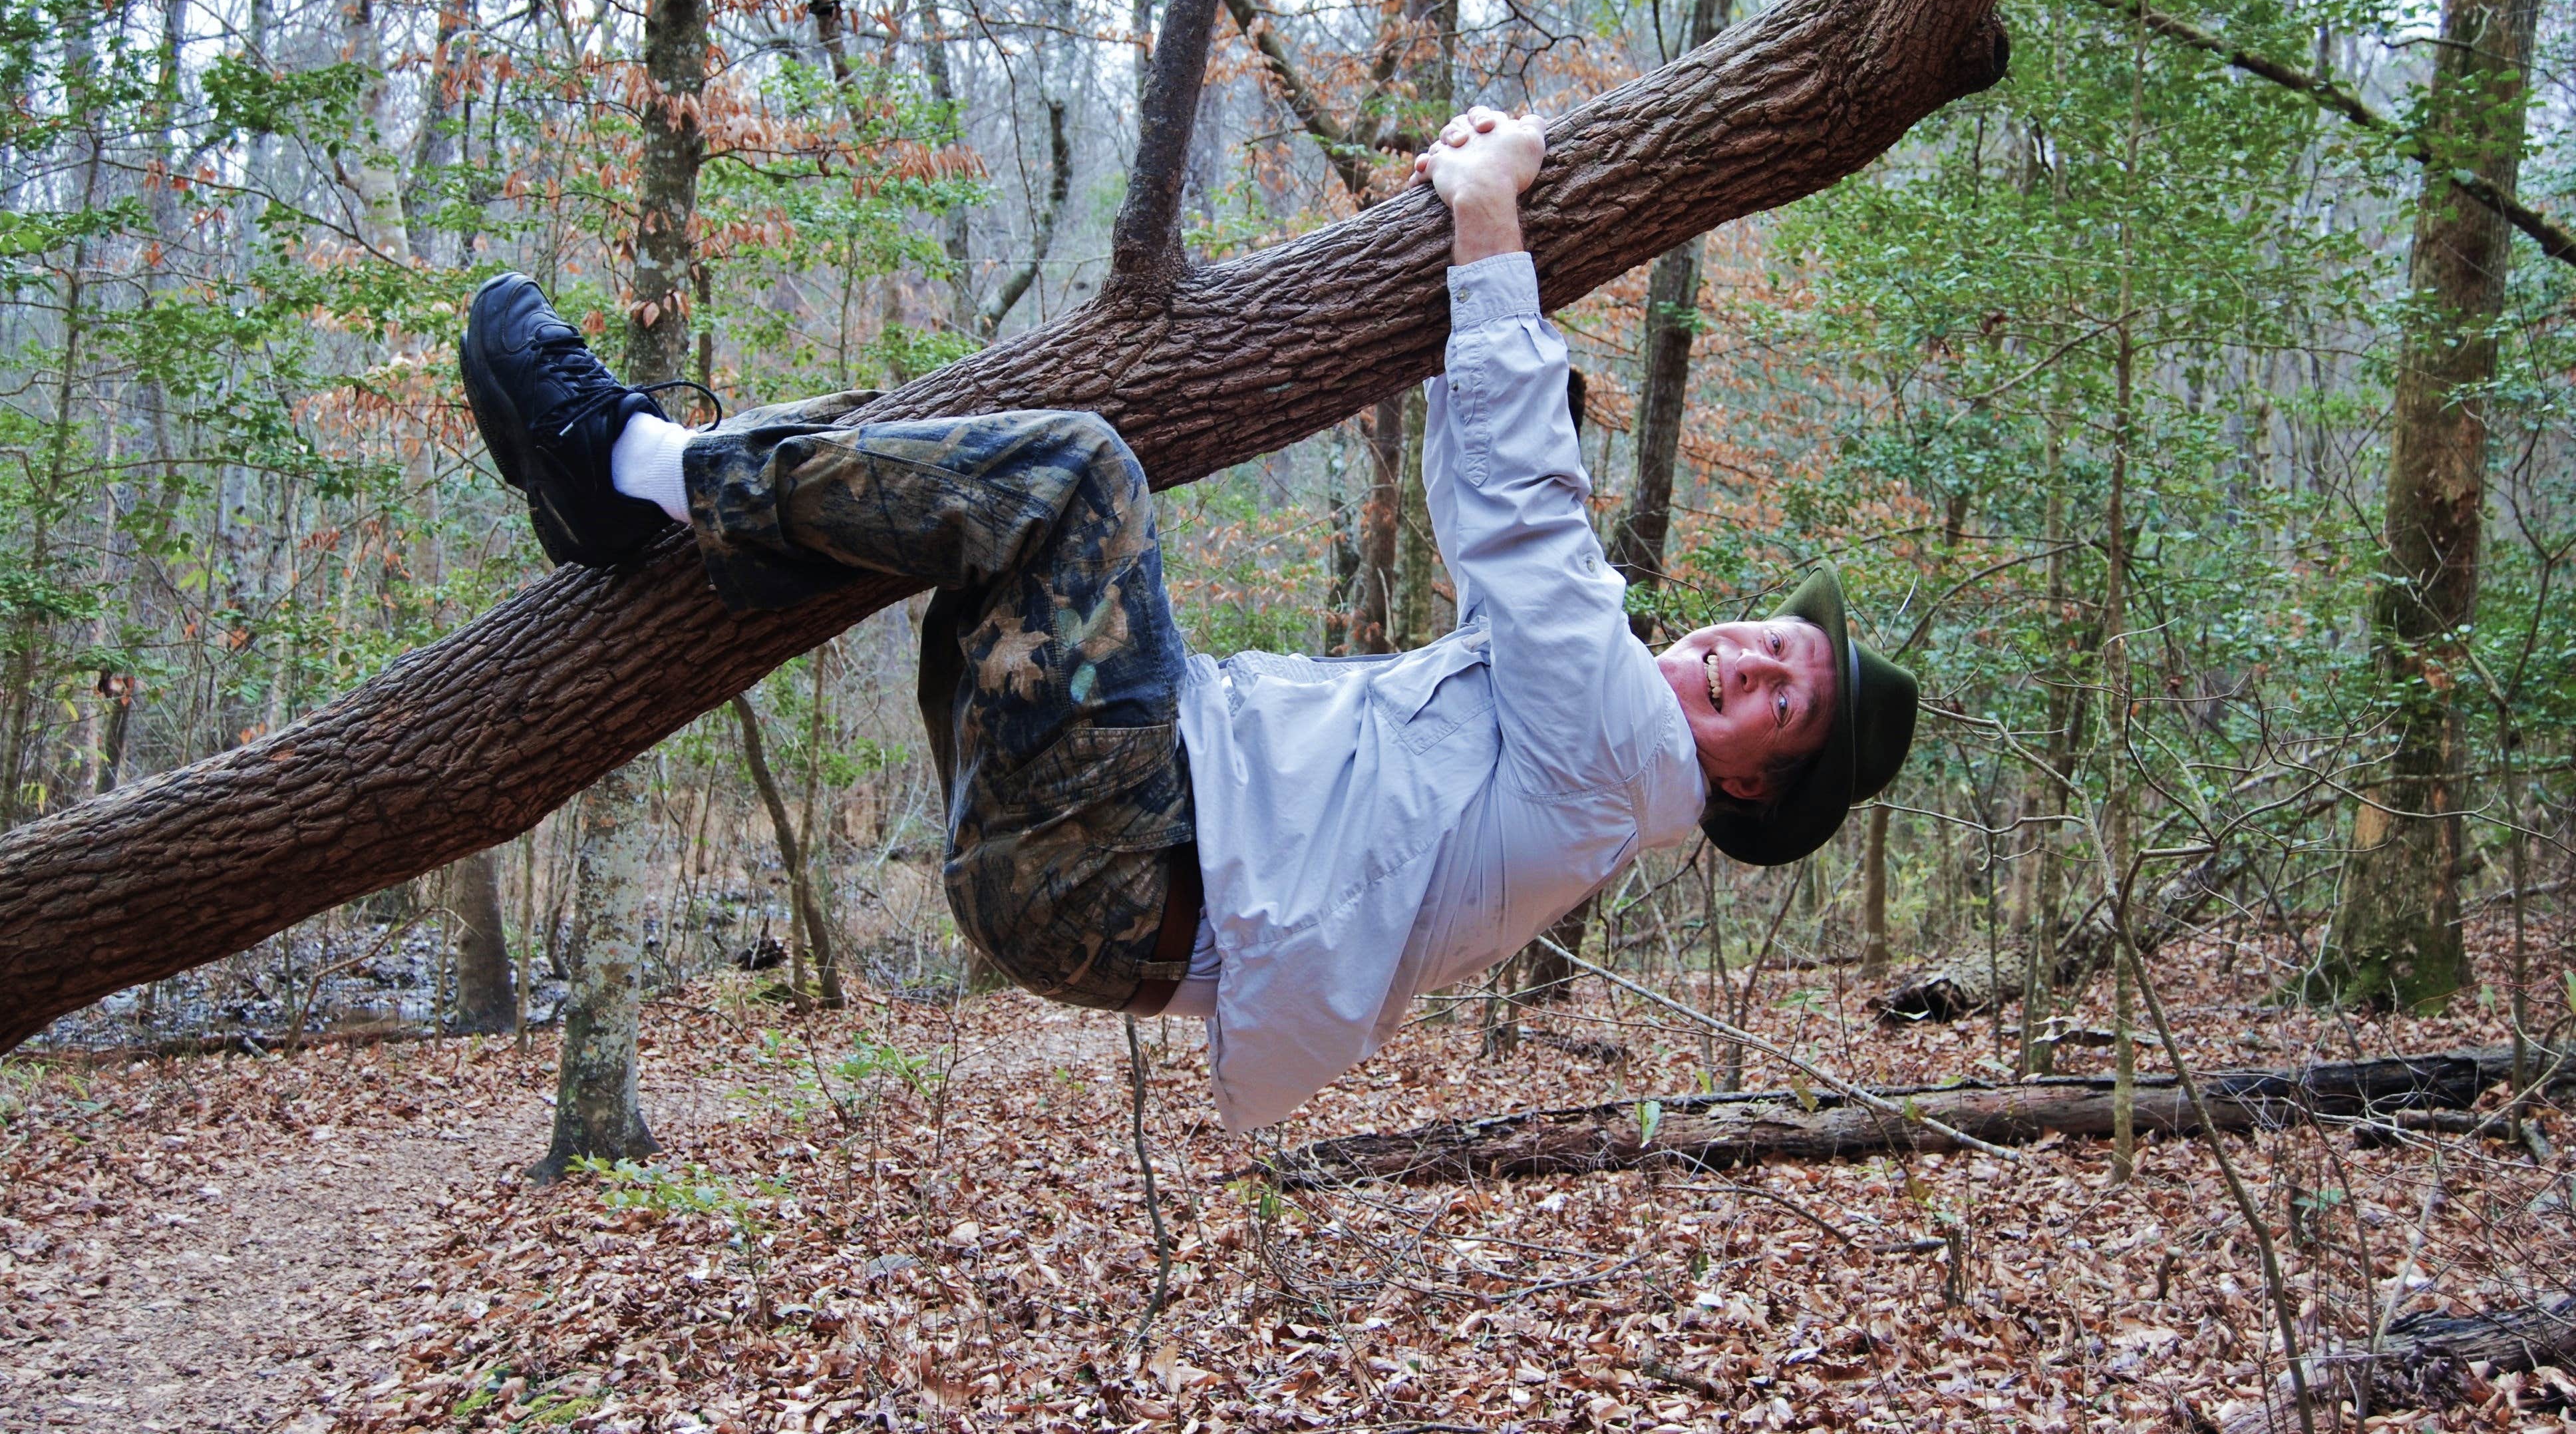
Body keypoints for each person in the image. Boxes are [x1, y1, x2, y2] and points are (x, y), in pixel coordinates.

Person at [460, 106, 1918, 1132]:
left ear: (1737, 786)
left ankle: (625, 468)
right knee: (939, 469)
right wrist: (1493, 296)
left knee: (1074, 473)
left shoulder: (1616, 755)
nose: (1737, 658)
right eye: (1759, 641)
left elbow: (1530, 531)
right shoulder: (1587, 742)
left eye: (1768, 702)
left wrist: (1487, 221)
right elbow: (1500, 525)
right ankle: (661, 506)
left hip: (1120, 857)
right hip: (1088, 881)